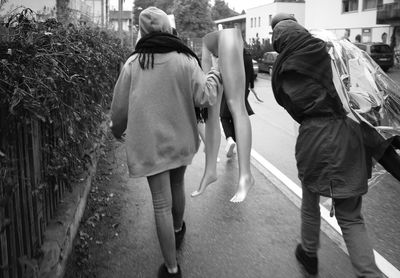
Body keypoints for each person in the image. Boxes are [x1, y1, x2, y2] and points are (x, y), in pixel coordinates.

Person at [109, 7, 222, 278]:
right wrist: (215, 74)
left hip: (150, 146)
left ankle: (171, 268)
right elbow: (205, 98)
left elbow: (119, 111)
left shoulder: (133, 64)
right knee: (177, 184)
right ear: (168, 29)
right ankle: (177, 228)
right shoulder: (185, 59)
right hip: (182, 141)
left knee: (161, 204)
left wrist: (117, 131)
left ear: (142, 31)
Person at [271, 15, 383, 277]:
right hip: (347, 133)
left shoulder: (284, 68)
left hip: (312, 137)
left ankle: (309, 253)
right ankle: (368, 273)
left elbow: (291, 106)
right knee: (350, 215)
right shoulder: (332, 53)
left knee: (310, 198)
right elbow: (360, 91)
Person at [191, 28, 255, 202]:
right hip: (210, 43)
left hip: (227, 39)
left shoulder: (227, 36)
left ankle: (245, 176)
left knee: (236, 106)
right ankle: (210, 171)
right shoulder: (206, 42)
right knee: (210, 109)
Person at [220, 48, 256, 158]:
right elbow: (251, 73)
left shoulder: (229, 54)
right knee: (238, 116)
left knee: (224, 116)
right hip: (242, 91)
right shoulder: (247, 55)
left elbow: (223, 72)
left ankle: (230, 139)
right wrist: (252, 86)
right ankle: (236, 143)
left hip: (229, 89)